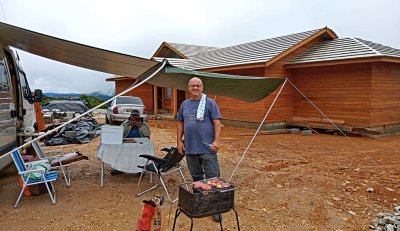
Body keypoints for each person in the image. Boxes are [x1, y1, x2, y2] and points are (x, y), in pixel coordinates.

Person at [177, 77, 222, 221]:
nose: (195, 88)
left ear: (202, 87)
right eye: (192, 86)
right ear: (188, 88)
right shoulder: (184, 104)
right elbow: (180, 124)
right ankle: (198, 203)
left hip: (208, 149)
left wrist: (216, 141)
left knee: (213, 179)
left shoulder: (210, 103)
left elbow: (217, 123)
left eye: (198, 85)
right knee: (196, 178)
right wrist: (179, 141)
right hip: (190, 149)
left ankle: (216, 208)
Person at [111, 109, 150, 175]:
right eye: (133, 116)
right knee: (119, 149)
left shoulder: (144, 123)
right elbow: (120, 133)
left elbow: (147, 134)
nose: (134, 117)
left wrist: (140, 126)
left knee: (140, 152)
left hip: (140, 143)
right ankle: (118, 168)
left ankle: (140, 169)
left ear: (139, 116)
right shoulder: (125, 123)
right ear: (130, 116)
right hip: (127, 141)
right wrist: (128, 126)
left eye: (136, 116)